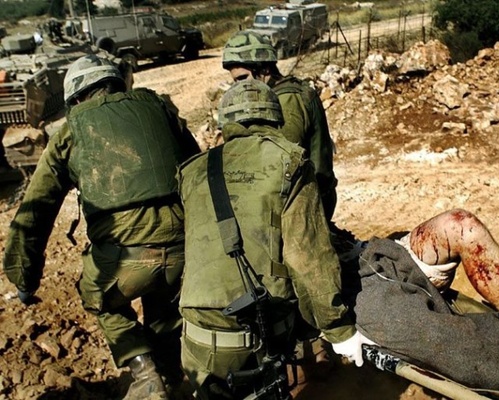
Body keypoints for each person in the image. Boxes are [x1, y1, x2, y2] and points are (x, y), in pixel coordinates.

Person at [3, 54, 200, 399]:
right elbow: (199, 169)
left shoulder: (70, 133)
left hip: (124, 261)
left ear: (76, 99)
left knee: (99, 295)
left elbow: (37, 209)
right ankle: (170, 376)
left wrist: (24, 276)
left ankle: (144, 371)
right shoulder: (162, 111)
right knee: (166, 307)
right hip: (182, 249)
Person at [176, 79, 369, 399]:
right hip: (262, 334)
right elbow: (308, 259)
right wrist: (339, 329)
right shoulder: (291, 162)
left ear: (225, 124)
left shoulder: (191, 170)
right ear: (275, 118)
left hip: (197, 337)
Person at [334, 208, 499, 399]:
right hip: (342, 290)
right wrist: (336, 327)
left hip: (368, 255)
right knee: (456, 349)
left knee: (460, 225)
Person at [221, 30, 338, 223]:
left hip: (309, 204)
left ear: (264, 70)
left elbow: (281, 164)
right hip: (303, 198)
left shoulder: (286, 100)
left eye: (242, 79)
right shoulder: (277, 94)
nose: (238, 87)